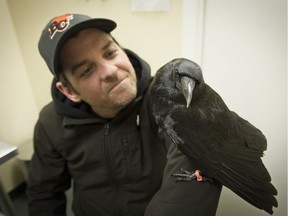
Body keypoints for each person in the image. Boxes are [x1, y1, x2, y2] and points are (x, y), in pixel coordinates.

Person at [27, 13, 221, 216]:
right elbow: (44, 194)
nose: (110, 71)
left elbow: (197, 170)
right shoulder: (51, 122)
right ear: (69, 91)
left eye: (110, 53)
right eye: (86, 70)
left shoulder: (167, 97)